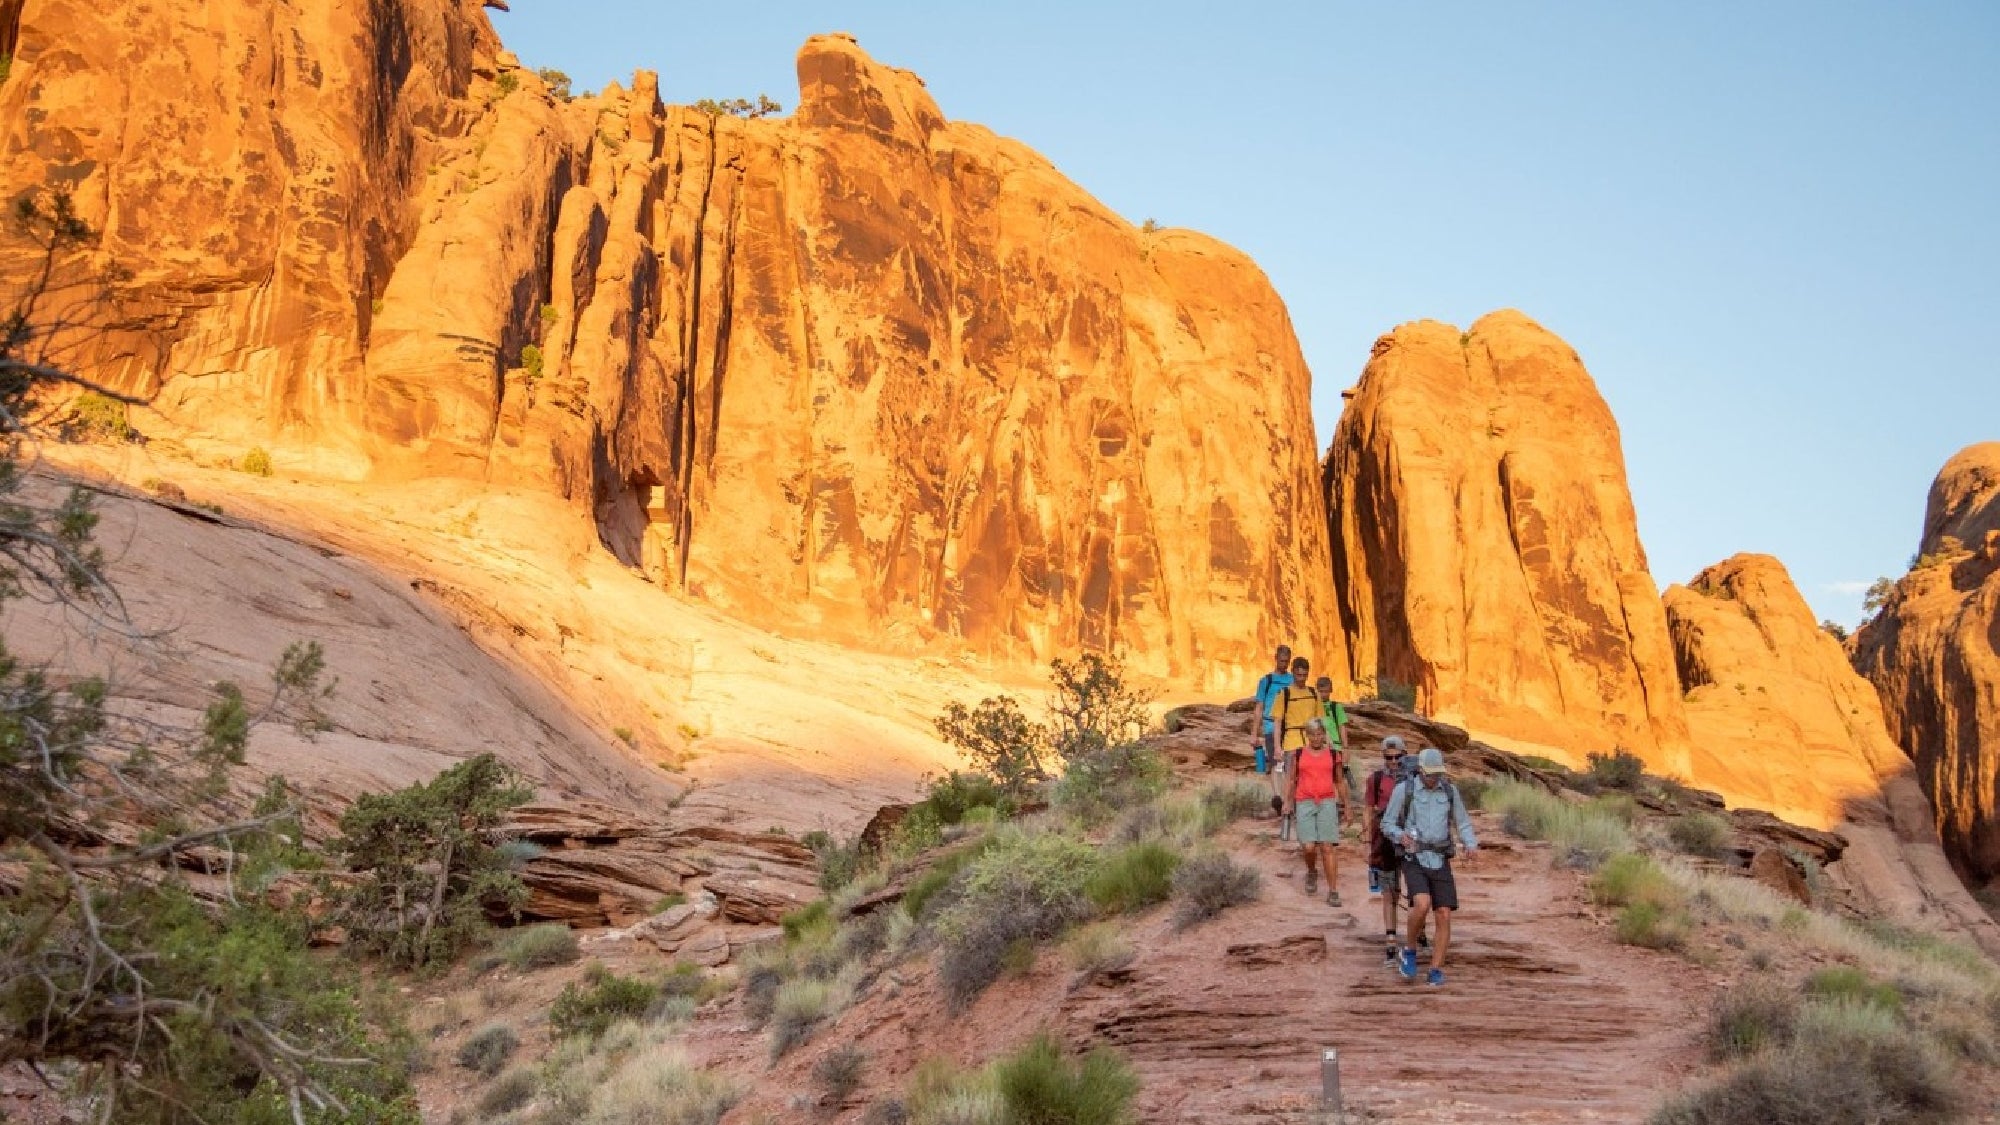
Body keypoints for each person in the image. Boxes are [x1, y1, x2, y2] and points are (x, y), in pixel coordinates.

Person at [1380, 746, 1477, 987]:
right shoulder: (1405, 790)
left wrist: (1470, 844)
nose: (1434, 779)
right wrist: (1400, 836)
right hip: (1415, 857)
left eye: (1438, 775)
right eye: (1430, 775)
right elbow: (1387, 823)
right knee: (1421, 903)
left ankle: (1435, 969)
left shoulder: (1449, 791)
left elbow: (1462, 822)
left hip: (1440, 857)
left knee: (1443, 913)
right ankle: (1410, 950)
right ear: (1421, 771)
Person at [1283, 718, 1356, 905]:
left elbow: (1339, 781)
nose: (1316, 738)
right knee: (1308, 846)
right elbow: (1291, 780)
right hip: (1304, 801)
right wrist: (1287, 802)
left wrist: (1347, 806)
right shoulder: (1298, 754)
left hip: (1326, 802)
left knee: (1327, 846)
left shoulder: (1333, 754)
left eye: (1319, 734)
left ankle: (1333, 891)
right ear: (1307, 736)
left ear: (1324, 734)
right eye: (1312, 734)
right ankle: (1312, 870)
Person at [1361, 736, 1411, 963]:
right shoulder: (1376, 778)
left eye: (1397, 757)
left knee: (1413, 886)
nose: (1392, 761)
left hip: (1409, 836)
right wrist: (1366, 840)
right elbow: (1368, 808)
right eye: (1387, 757)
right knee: (1389, 889)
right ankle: (1391, 936)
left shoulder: (1413, 778)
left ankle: (1416, 931)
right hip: (1384, 838)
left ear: (1405, 755)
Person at [1252, 646, 1294, 804]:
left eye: (1287, 662)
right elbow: (1259, 708)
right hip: (1270, 727)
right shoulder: (1266, 681)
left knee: (1289, 765)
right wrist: (1254, 734)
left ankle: (1286, 799)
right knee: (1276, 762)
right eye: (1282, 661)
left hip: (1289, 728)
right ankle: (1279, 798)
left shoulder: (1292, 680)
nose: (1284, 664)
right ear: (1275, 658)